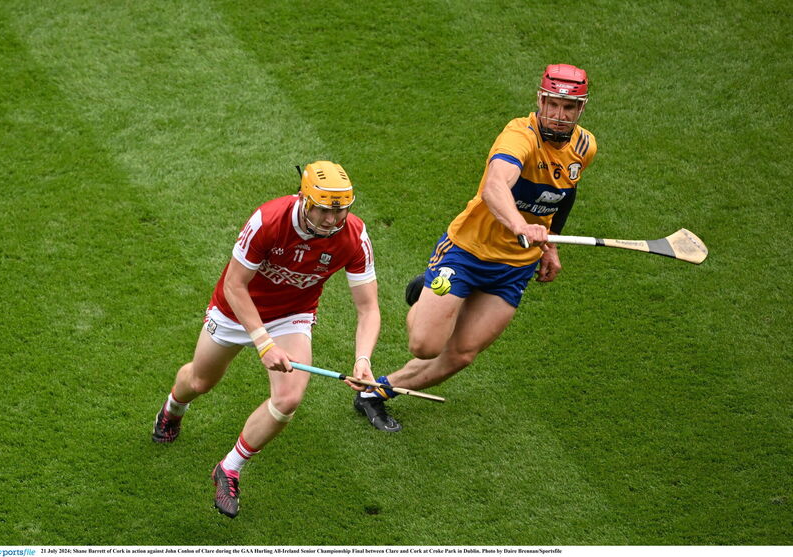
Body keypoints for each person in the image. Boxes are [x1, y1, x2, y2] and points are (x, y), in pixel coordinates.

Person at [353, 64, 597, 432]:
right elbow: (495, 187)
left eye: (569, 108)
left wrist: (550, 247)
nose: (560, 116)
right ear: (540, 100)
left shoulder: (584, 146)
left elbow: (563, 194)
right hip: (466, 254)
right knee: (424, 345)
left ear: (581, 110)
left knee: (462, 354)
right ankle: (428, 294)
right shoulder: (519, 138)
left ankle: (376, 393)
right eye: (553, 104)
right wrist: (519, 225)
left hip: (514, 269)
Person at [152, 161, 380, 517]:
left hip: (291, 315)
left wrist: (362, 360)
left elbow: (368, 308)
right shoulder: (268, 220)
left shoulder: (354, 236)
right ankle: (172, 409)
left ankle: (229, 468)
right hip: (234, 310)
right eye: (323, 211)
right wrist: (263, 343)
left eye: (340, 212)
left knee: (289, 397)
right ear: (305, 201)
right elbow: (234, 284)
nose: (332, 222)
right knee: (199, 380)